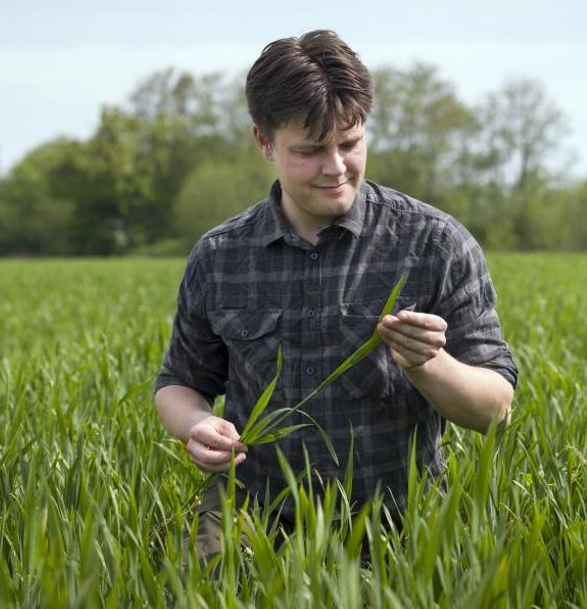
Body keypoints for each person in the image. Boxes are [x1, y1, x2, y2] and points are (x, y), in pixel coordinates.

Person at [153, 30, 517, 564]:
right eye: (309, 151)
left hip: (398, 516)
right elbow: (179, 384)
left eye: (350, 143)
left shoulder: (434, 244)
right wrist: (196, 425)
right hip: (254, 508)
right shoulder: (219, 255)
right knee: (184, 582)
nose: (336, 167)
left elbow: (495, 410)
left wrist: (428, 364)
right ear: (264, 141)